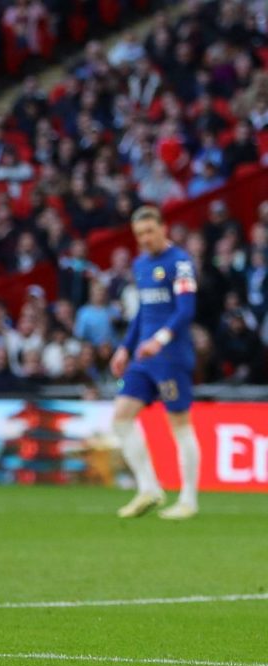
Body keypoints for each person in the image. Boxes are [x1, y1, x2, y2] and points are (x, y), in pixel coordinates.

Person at [110, 205, 201, 520]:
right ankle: (149, 488)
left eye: (149, 231)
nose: (145, 239)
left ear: (164, 228)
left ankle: (189, 499)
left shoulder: (181, 264)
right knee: (121, 418)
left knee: (180, 424)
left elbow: (186, 310)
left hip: (170, 356)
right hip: (143, 358)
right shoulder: (140, 265)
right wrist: (125, 347)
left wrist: (159, 340)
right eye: (139, 235)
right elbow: (142, 312)